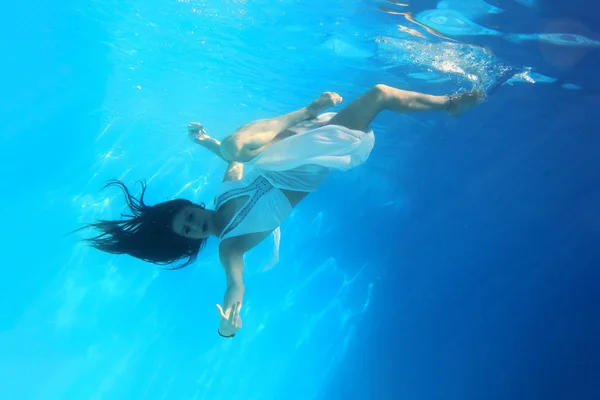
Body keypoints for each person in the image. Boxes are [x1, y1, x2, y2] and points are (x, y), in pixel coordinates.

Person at [79, 84, 483, 338]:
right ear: (192, 242)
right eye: (188, 231)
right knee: (235, 150)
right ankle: (305, 110)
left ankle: (450, 103)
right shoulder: (230, 247)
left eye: (186, 216)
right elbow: (235, 286)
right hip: (309, 163)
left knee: (379, 94)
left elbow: (230, 155)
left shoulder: (221, 195)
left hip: (293, 141)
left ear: (191, 206)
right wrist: (227, 325)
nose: (193, 224)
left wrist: (203, 140)